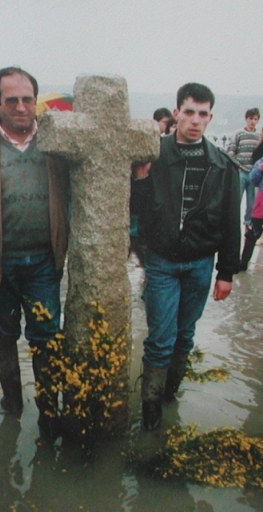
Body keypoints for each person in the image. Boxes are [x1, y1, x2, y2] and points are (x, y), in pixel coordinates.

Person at [131, 83, 240, 430]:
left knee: (185, 336)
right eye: (189, 112)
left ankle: (169, 399)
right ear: (176, 112)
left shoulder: (222, 165)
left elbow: (230, 223)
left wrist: (227, 272)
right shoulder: (154, 154)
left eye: (202, 114)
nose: (195, 120)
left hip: (200, 263)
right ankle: (151, 422)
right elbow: (136, 212)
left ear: (210, 117)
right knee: (160, 340)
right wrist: (141, 179)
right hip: (162, 261)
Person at [0, 66, 70, 439]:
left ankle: (49, 412)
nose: (21, 107)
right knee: (2, 335)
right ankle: (13, 403)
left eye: (27, 99)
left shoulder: (57, 140)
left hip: (43, 263)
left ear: (37, 100)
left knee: (47, 335)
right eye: (11, 100)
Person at [228, 108, 260, 229]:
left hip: (253, 174)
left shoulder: (258, 136)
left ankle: (248, 225)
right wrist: (236, 167)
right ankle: (233, 225)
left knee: (251, 202)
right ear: (246, 119)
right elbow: (231, 152)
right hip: (240, 172)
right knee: (236, 201)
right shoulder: (239, 134)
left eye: (255, 119)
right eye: (250, 118)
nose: (253, 121)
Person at [239, 157, 263, 270]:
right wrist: (259, 169)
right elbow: (253, 179)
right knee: (253, 233)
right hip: (261, 201)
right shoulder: (261, 161)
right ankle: (243, 263)